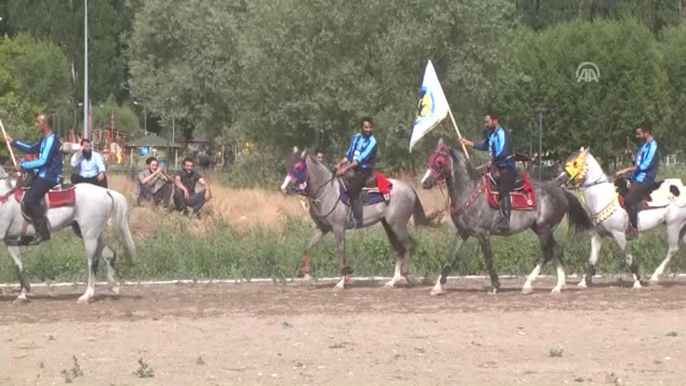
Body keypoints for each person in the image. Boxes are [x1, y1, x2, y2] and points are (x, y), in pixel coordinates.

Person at [6, 114, 63, 245]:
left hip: (50, 177)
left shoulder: (52, 140)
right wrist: (12, 141)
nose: (36, 125)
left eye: (38, 122)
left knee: (29, 199)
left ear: (45, 124)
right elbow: (31, 149)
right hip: (42, 175)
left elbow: (43, 161)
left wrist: (22, 166)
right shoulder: (44, 139)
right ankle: (24, 230)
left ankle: (43, 233)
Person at [460, 114, 517, 229]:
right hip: (496, 167)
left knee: (503, 188)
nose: (485, 125)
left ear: (495, 121)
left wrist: (492, 160)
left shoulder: (502, 133)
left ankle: (506, 220)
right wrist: (469, 143)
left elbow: (504, 151)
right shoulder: (491, 134)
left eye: (487, 122)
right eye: (485, 122)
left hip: (507, 167)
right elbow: (485, 145)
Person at [615, 125, 659, 240]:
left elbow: (646, 165)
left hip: (645, 179)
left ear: (647, 132)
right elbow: (638, 162)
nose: (637, 136)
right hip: (636, 176)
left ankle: (634, 229)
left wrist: (627, 169)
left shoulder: (653, 146)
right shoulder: (643, 145)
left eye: (639, 133)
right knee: (618, 184)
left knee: (629, 199)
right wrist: (631, 155)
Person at [335, 117, 377, 229]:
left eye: (370, 127)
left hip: (364, 170)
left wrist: (345, 168)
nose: (368, 129)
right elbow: (348, 155)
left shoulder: (372, 141)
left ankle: (357, 220)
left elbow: (360, 160)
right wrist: (339, 164)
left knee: (352, 189)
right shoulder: (356, 137)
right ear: (361, 128)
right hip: (352, 167)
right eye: (366, 127)